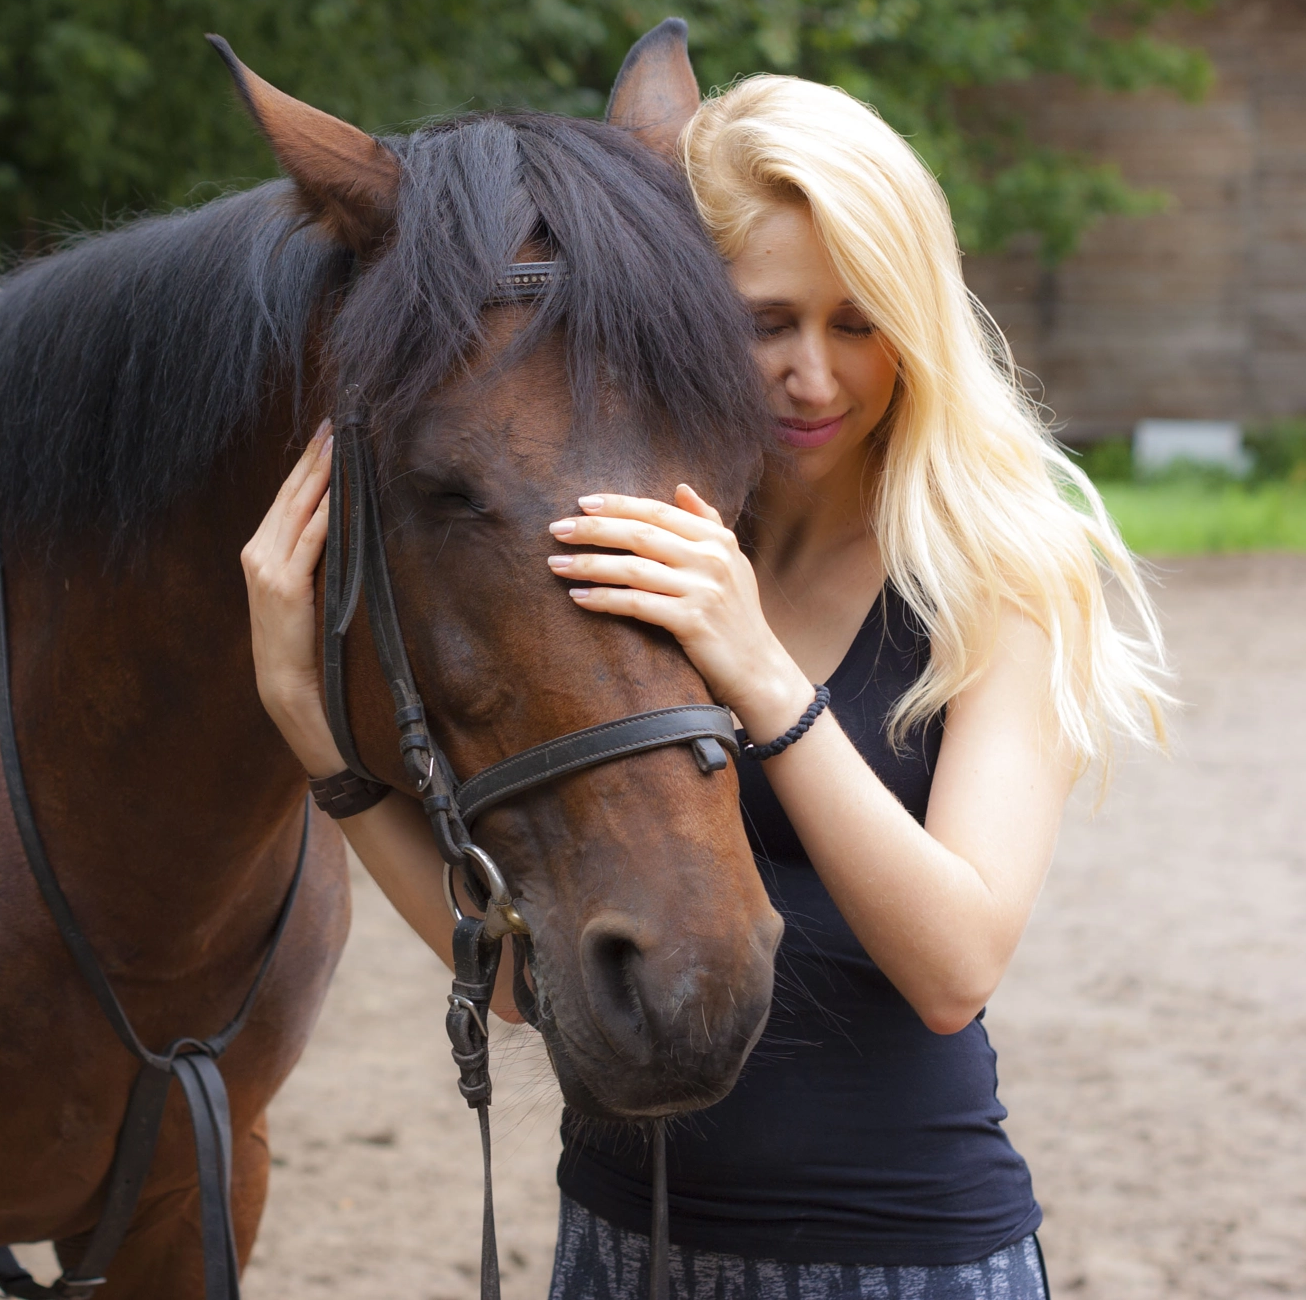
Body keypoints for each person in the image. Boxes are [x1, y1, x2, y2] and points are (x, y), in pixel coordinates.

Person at [240, 74, 1169, 1300]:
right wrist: (323, 753)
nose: (812, 376)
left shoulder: (997, 579)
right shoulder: (621, 560)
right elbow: (529, 990)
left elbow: (954, 967)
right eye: (763, 320)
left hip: (898, 1257)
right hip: (623, 1248)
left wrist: (760, 673)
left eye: (858, 321)